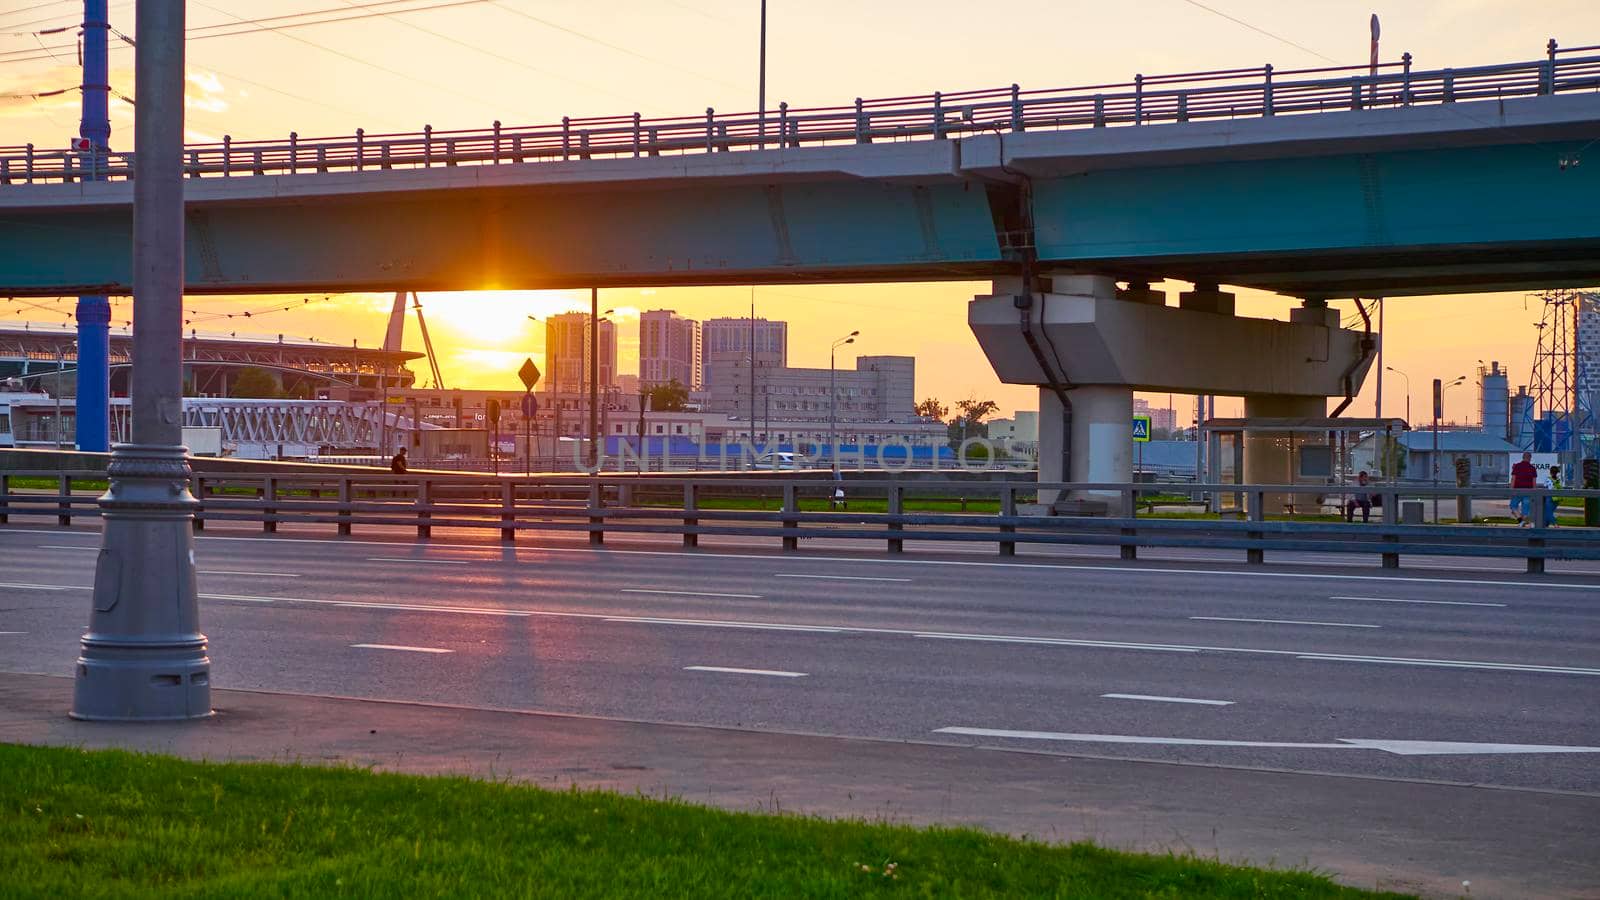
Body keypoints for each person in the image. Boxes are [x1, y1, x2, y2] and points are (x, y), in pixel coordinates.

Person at [1510, 451, 1536, 525]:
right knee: (1525, 509)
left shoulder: (1517, 466)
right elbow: (1534, 482)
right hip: (1528, 491)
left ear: (1523, 457)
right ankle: (1522, 522)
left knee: (1513, 506)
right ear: (1530, 458)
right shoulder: (1532, 468)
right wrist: (1534, 492)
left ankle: (1520, 520)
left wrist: (1511, 490)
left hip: (1517, 490)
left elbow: (1513, 479)